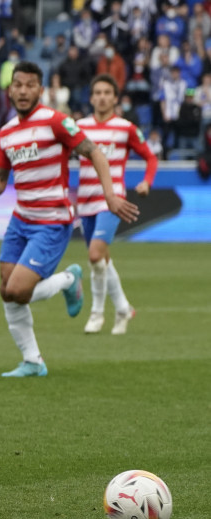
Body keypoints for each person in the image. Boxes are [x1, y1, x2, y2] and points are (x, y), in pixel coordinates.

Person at [0, 61, 140, 378]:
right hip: (21, 219)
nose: (24, 90)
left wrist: (110, 195)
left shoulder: (56, 122)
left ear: (40, 91)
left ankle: (69, 280)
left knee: (18, 290)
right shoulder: (5, 134)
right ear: (10, 89)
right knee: (6, 289)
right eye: (19, 84)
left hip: (52, 220)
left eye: (30, 85)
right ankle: (33, 361)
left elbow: (95, 152)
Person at [76, 74, 156, 335]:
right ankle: (123, 308)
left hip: (112, 199)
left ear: (114, 97)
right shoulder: (79, 127)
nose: (101, 97)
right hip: (85, 200)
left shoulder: (126, 128)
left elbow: (150, 157)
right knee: (102, 261)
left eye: (106, 93)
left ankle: (97, 313)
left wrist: (146, 182)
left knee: (95, 255)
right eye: (97, 92)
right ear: (91, 98)